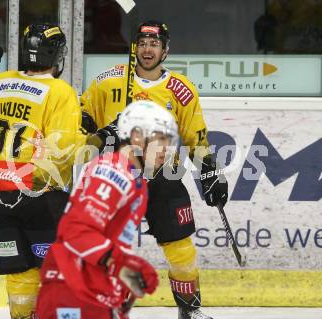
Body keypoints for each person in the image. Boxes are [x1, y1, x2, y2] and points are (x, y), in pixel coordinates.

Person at [0, 23, 117, 319]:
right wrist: (102, 136)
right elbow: (67, 151)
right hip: (40, 194)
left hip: (0, 195)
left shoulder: (1, 82)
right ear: (55, 55)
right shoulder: (59, 91)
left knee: (20, 275)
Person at [80, 20, 229, 319]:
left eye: (155, 44)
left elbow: (195, 136)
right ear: (136, 47)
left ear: (165, 50)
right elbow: (83, 119)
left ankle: (190, 310)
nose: (148, 50)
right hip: (116, 179)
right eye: (143, 43)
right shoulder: (108, 81)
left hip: (164, 179)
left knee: (181, 250)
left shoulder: (181, 90)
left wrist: (210, 172)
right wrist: (101, 133)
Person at [37, 100, 180, 319]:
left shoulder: (134, 180)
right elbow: (76, 230)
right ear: (136, 137)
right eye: (161, 139)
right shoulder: (114, 170)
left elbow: (105, 241)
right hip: (73, 293)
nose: (166, 149)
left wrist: (124, 280)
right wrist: (124, 264)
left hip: (92, 294)